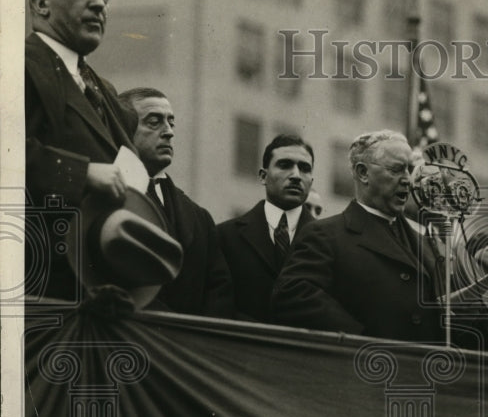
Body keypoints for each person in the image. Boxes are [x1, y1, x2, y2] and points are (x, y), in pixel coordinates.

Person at [25, 0, 138, 299]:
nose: (99, 4)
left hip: (100, 296)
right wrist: (83, 174)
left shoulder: (107, 94)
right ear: (41, 5)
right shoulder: (16, 65)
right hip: (38, 295)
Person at [271, 130, 448, 342]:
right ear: (363, 173)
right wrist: (362, 339)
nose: (408, 180)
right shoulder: (324, 235)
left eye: (410, 170)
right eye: (397, 170)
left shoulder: (425, 242)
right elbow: (293, 296)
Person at [119, 87, 234, 317]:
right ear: (121, 128)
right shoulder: (105, 199)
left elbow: (219, 295)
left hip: (188, 347)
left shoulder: (199, 217)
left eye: (171, 123)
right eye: (154, 122)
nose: (169, 132)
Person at [217, 133, 314, 323]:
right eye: (285, 165)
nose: (295, 175)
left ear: (311, 180)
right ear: (263, 176)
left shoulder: (330, 241)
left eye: (304, 168)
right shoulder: (224, 236)